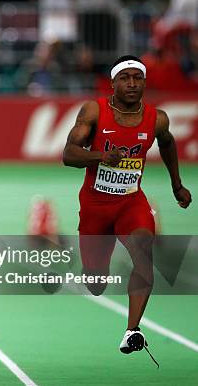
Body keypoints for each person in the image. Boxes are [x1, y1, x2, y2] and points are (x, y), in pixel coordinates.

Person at [63, 55, 192, 358]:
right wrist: (99, 157)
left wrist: (176, 185)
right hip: (95, 207)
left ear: (145, 82)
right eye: (125, 78)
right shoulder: (94, 111)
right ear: (113, 83)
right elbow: (68, 154)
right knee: (96, 282)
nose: (132, 84)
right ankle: (94, 271)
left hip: (130, 202)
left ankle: (132, 330)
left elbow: (168, 142)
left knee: (143, 250)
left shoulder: (157, 118)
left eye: (138, 77)